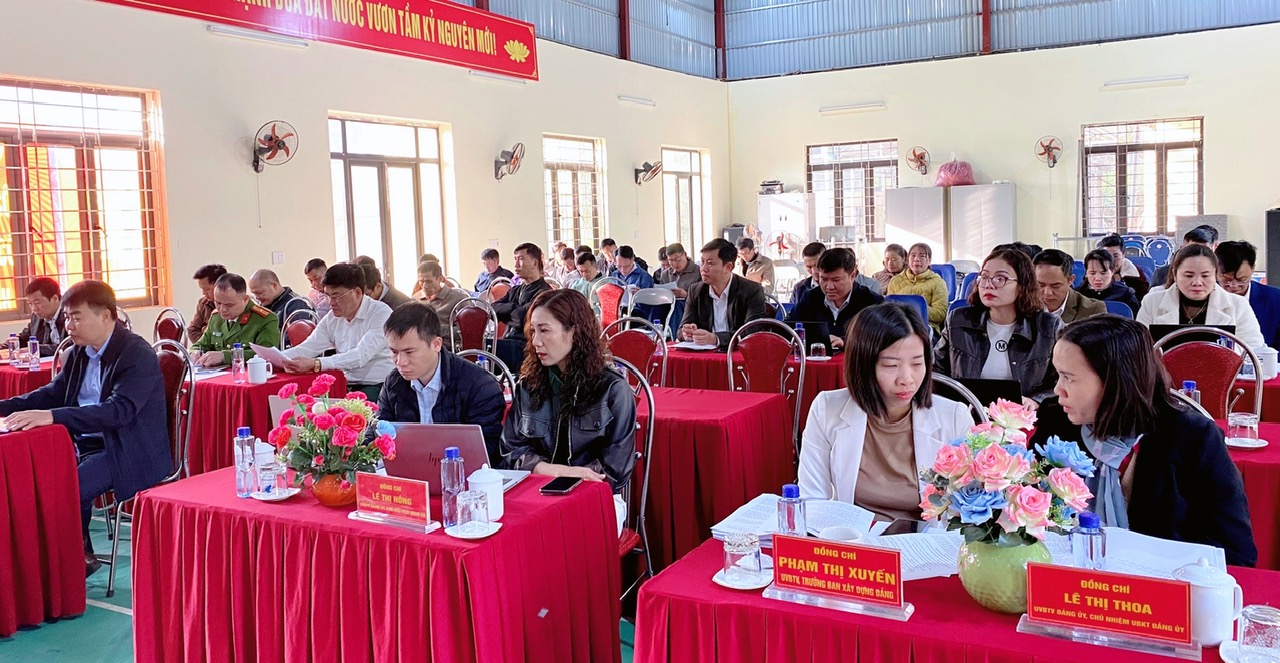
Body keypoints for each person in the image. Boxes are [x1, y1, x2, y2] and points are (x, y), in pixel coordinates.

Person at [1031, 316, 1256, 566]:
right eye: (1058, 376)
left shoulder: (1190, 436)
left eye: (1069, 378)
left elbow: (1234, 551)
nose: (1058, 390)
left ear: (1115, 381)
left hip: (1165, 578)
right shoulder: (1057, 423)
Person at [0, 281, 171, 576]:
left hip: (128, 448)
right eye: (67, 317)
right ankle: (70, 557)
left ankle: (76, 560)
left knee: (70, 488)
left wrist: (53, 416)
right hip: (85, 443)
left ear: (105, 315)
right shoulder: (81, 351)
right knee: (33, 479)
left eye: (76, 317)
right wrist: (5, 406)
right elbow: (53, 393)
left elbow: (119, 411)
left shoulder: (136, 354)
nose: (69, 326)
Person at [798, 302, 973, 516]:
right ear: (862, 365)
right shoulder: (827, 409)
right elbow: (813, 499)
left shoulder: (954, 418)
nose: (907, 379)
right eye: (891, 365)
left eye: (917, 364)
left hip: (924, 535)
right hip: (853, 533)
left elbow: (966, 510)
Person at [501, 289, 636, 491]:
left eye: (544, 330)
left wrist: (572, 478)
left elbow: (615, 469)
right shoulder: (529, 384)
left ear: (574, 331)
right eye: (533, 331)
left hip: (592, 492)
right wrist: (555, 471)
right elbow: (510, 451)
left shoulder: (612, 389)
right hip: (536, 488)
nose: (536, 341)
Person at [378, 303, 506, 464]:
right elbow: (377, 431)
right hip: (406, 470)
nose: (400, 362)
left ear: (436, 344)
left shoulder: (479, 385)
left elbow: (487, 451)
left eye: (410, 352)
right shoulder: (394, 383)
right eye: (394, 352)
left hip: (463, 473)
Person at [935, 246, 1062, 407]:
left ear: (1022, 284)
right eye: (984, 277)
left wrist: (1036, 400)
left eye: (1000, 278)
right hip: (967, 412)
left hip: (1024, 415)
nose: (989, 285)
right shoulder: (958, 320)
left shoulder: (1048, 327)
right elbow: (936, 371)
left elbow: (1063, 379)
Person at [281, 263, 395, 400]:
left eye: (336, 296)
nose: (331, 302)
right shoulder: (333, 317)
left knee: (346, 409)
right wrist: (273, 358)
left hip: (378, 384)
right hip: (344, 382)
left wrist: (316, 363)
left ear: (357, 293)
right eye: (328, 296)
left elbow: (360, 356)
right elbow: (309, 347)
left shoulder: (381, 313)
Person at [1135, 244, 1264, 347]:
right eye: (1189, 275)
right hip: (1164, 372)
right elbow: (1140, 348)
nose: (1197, 282)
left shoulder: (1238, 304)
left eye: (1205, 276)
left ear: (1215, 275)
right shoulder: (1152, 302)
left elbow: (1253, 348)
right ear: (1175, 274)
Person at [785, 248, 884, 349]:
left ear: (852, 276)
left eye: (836, 280)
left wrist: (845, 341)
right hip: (816, 356)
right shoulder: (810, 298)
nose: (829, 287)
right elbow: (787, 328)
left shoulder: (872, 302)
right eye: (824, 279)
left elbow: (882, 336)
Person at [680, 238, 769, 348]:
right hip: (705, 353)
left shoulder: (751, 290)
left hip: (737, 352)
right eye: (702, 262)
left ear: (728, 267)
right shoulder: (695, 291)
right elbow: (681, 330)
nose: (703, 269)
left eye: (710, 263)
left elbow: (752, 332)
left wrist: (716, 339)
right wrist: (687, 333)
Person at [191, 273, 281, 367]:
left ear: (245, 299)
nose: (222, 309)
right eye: (218, 303)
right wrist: (195, 352)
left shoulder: (265, 319)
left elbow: (267, 356)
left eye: (229, 305)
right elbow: (200, 345)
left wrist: (225, 356)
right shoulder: (216, 317)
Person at [493, 243, 553, 368]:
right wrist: (514, 309)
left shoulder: (544, 292)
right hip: (508, 342)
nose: (516, 265)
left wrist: (506, 314)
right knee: (479, 347)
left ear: (534, 263)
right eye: (515, 259)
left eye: (520, 259)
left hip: (527, 347)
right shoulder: (516, 290)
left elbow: (523, 319)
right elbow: (493, 310)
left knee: (484, 349)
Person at [1217, 241, 1280, 349]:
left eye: (1241, 280)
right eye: (1226, 280)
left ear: (1253, 268)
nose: (1233, 285)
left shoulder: (1275, 299)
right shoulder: (1205, 298)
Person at [1033, 249, 1107, 323]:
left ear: (1070, 280)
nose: (1047, 292)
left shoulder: (1092, 310)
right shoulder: (1027, 305)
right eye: (1040, 285)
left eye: (1055, 286)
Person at [886, 243, 948, 330]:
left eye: (922, 256)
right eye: (913, 256)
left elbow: (940, 314)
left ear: (929, 260)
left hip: (925, 326)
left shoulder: (938, 282)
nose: (916, 259)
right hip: (898, 326)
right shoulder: (895, 281)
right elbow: (888, 308)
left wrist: (916, 309)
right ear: (908, 259)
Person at [416, 260, 469, 350]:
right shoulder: (416, 300)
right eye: (421, 281)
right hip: (421, 346)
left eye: (429, 281)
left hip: (447, 347)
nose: (424, 286)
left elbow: (467, 331)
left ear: (440, 279)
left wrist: (435, 329)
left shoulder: (458, 299)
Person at [1076, 249, 1141, 316]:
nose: (1098, 278)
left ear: (1112, 272)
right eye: (1092, 273)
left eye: (1103, 273)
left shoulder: (1125, 294)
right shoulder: (1076, 294)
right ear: (1086, 273)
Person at [248, 269, 314, 332]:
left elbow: (298, 336)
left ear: (274, 286)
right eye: (254, 293)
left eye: (259, 292)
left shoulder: (296, 304)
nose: (256, 297)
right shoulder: (263, 304)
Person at [1153, 225, 1219, 286]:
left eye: (1204, 251)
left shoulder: (1219, 274)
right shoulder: (1162, 274)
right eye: (1191, 250)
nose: (1197, 283)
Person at [17, 277, 65, 357]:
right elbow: (23, 338)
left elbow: (68, 347)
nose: (34, 309)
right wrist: (9, 345)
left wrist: (35, 349)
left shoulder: (71, 315)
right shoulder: (36, 317)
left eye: (37, 303)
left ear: (55, 299)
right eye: (30, 304)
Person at [1097, 234, 1150, 300]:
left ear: (1123, 254)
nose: (1111, 261)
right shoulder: (1093, 274)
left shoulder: (1137, 275)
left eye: (1115, 256)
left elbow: (1142, 301)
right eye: (1107, 256)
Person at [188, 263, 226, 343]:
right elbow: (192, 330)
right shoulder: (203, 303)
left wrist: (205, 331)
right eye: (202, 289)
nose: (203, 293)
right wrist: (207, 343)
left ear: (219, 286)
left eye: (207, 289)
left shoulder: (234, 304)